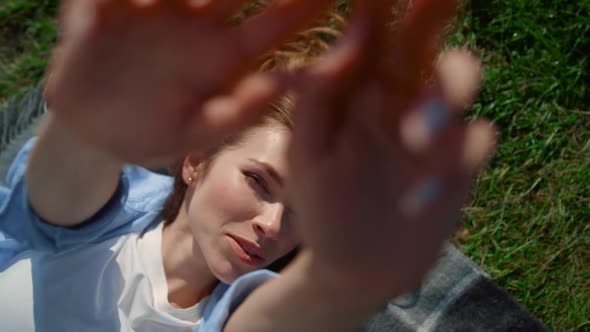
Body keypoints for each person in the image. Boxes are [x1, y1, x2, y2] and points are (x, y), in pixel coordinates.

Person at [0, 0, 497, 331]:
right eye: (259, 180)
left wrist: (336, 286)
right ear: (195, 161)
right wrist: (87, 132)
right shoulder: (103, 221)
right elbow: (57, 203)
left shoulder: (243, 308)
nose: (273, 224)